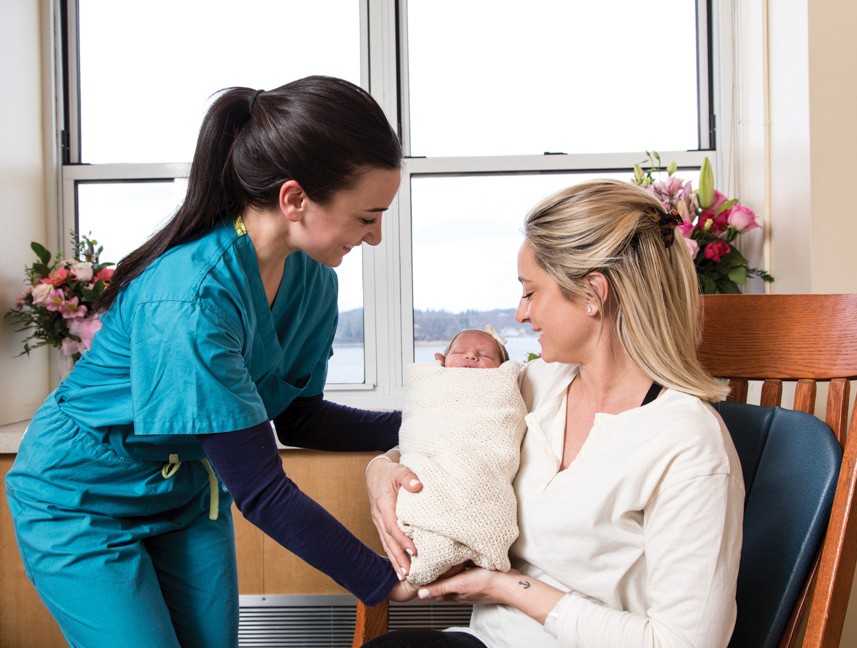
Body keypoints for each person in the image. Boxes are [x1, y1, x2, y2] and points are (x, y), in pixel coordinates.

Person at [5, 75, 416, 648]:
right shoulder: (189, 300)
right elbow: (263, 491)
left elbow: (300, 418)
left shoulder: (315, 279)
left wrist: (426, 424)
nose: (374, 237)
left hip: (183, 495)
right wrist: (388, 582)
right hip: (81, 502)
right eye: (366, 217)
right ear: (294, 199)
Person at [365, 179, 745, 647]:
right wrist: (381, 470)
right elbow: (448, 442)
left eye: (530, 291)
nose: (520, 313)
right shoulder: (536, 384)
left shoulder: (688, 444)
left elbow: (683, 643)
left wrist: (504, 587)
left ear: (592, 293)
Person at [392, 325, 527, 586]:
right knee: (420, 489)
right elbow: (420, 425)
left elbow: (505, 426)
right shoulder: (434, 385)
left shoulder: (501, 386)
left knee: (476, 481)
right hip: (431, 463)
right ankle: (431, 549)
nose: (472, 357)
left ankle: (465, 547)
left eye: (485, 355)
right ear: (441, 362)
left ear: (502, 367)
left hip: (479, 464)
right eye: (461, 352)